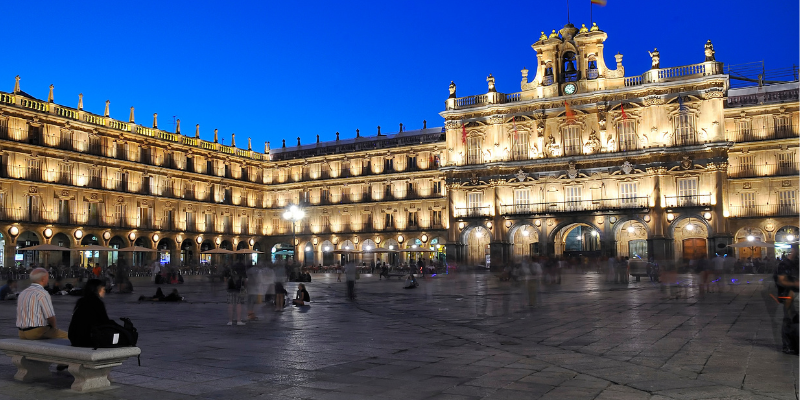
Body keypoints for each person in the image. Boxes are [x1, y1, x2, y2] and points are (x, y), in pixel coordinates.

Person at [16, 268, 68, 340]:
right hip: (37, 331)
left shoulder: (23, 293)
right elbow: (50, 316)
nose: (48, 279)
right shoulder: (42, 293)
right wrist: (54, 329)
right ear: (43, 279)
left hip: (22, 332)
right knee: (69, 337)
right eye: (47, 277)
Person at [68, 279, 119, 347]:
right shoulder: (98, 303)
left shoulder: (80, 301)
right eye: (103, 289)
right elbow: (105, 322)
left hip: (75, 339)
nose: (104, 291)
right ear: (96, 290)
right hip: (88, 340)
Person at [774, 246, 799, 354]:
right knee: (790, 320)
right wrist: (795, 284)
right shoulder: (784, 264)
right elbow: (781, 281)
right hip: (790, 295)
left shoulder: (796, 263)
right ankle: (788, 346)